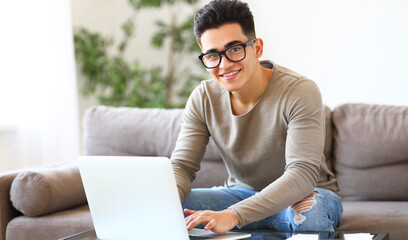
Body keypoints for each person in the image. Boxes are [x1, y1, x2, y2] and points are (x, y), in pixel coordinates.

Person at [170, 0, 343, 234]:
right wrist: (165, 201)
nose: (225, 64)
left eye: (234, 49)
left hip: (304, 195)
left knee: (309, 214)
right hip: (239, 195)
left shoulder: (299, 91)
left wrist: (234, 215)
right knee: (161, 208)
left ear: (257, 48)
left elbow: (301, 174)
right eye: (212, 55)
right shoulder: (203, 98)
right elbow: (182, 166)